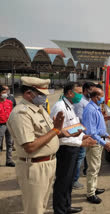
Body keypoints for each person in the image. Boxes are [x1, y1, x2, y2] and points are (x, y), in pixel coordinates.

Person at [7, 77, 64, 214]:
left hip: (48, 163)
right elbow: (30, 146)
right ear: (28, 93)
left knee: (42, 205)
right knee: (35, 209)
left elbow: (46, 135)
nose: (44, 98)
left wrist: (62, 133)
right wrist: (55, 130)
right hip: (34, 166)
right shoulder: (21, 114)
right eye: (41, 94)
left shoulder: (39, 109)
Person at [50, 83, 97, 214]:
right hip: (65, 149)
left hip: (73, 147)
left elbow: (74, 126)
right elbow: (57, 132)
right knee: (62, 180)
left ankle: (66, 206)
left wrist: (83, 136)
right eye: (78, 93)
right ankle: (59, 210)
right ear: (70, 93)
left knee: (69, 180)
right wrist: (80, 142)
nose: (80, 96)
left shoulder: (70, 106)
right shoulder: (59, 107)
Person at [83, 87, 110, 204]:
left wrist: (106, 135)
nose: (103, 98)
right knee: (93, 168)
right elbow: (91, 132)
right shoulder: (90, 110)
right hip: (94, 142)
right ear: (96, 97)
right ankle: (90, 194)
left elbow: (98, 126)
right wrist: (104, 143)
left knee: (96, 167)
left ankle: (94, 188)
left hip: (99, 140)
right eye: (102, 95)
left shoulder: (96, 108)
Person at [73, 82, 96, 189]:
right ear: (86, 90)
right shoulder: (80, 102)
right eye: (91, 90)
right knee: (79, 157)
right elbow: (79, 119)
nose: (93, 92)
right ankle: (74, 180)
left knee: (85, 156)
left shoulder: (88, 100)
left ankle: (85, 171)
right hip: (81, 133)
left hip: (87, 132)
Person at [0, 85, 14, 166]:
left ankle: (9, 161)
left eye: (5, 92)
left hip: (9, 124)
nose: (5, 94)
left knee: (9, 143)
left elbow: (12, 113)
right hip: (1, 125)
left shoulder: (9, 102)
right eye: (3, 93)